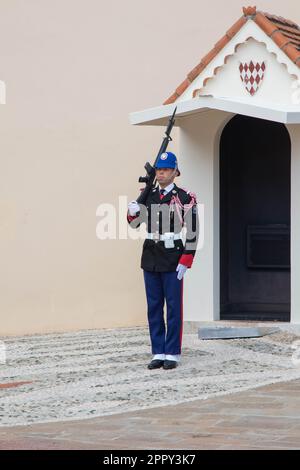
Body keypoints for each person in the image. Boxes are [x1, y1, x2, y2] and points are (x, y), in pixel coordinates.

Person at [127, 151, 199, 370]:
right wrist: (131, 213)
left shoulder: (185, 197)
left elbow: (193, 231)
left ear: (175, 172)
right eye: (159, 169)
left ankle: (173, 353)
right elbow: (134, 225)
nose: (161, 173)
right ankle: (158, 351)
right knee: (154, 306)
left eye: (166, 169)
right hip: (151, 255)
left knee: (174, 307)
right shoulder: (147, 195)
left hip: (173, 256)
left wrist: (186, 259)